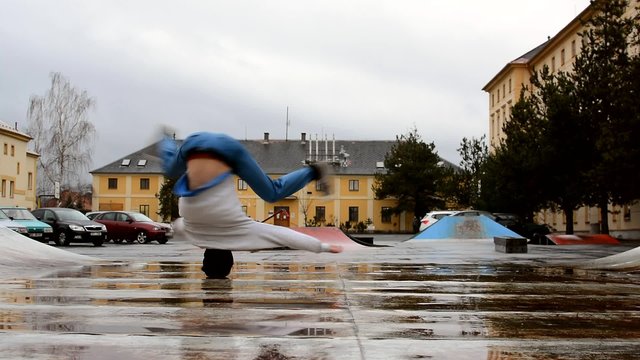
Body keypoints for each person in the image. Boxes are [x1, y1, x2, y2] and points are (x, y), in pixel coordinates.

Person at [159, 131, 343, 278]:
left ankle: (313, 171)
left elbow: (283, 236)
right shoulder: (187, 229)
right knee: (170, 170)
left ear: (230, 258)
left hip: (228, 150)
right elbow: (174, 228)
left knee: (273, 192)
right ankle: (167, 139)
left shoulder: (240, 230)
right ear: (205, 256)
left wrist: (322, 247)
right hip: (194, 143)